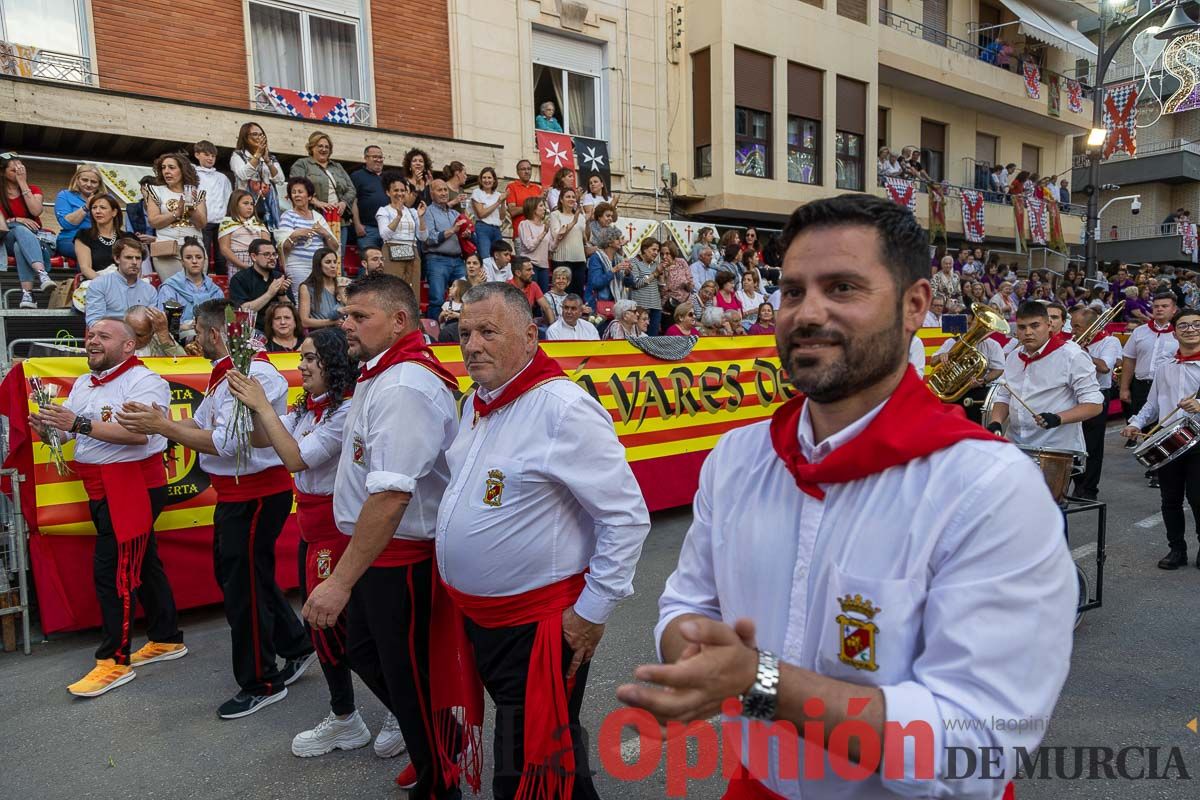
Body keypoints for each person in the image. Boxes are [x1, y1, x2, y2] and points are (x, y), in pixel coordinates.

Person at [619, 193, 1076, 800]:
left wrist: (759, 683)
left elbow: (978, 744)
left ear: (915, 306)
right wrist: (695, 654)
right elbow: (687, 600)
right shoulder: (738, 458)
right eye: (791, 291)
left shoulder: (987, 487)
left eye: (842, 288)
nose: (807, 313)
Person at [438, 281, 650, 800]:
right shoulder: (476, 403)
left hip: (539, 629)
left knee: (526, 765)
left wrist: (592, 611)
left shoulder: (563, 408)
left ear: (531, 336)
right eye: (465, 332)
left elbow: (626, 517)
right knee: (546, 756)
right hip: (482, 620)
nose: (472, 345)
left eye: (488, 332)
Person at [302, 273, 466, 796]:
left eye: (359, 316)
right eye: (346, 314)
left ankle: (441, 778)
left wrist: (341, 580)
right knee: (373, 657)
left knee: (409, 675)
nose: (345, 324)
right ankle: (438, 746)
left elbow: (393, 494)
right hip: (377, 549)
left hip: (400, 554)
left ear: (399, 320)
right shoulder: (383, 371)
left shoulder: (403, 384)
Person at [118, 299, 315, 719]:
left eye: (196, 335)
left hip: (256, 493)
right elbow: (202, 424)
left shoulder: (253, 373)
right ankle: (296, 645)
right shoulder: (225, 372)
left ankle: (262, 681)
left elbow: (227, 441)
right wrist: (162, 422)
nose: (193, 343)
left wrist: (164, 428)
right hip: (238, 494)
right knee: (244, 578)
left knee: (241, 587)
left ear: (213, 334)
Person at [225, 327, 389, 757]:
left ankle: (400, 712)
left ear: (334, 364)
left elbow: (296, 457)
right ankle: (345, 718)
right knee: (323, 632)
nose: (301, 366)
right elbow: (269, 439)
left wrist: (262, 404)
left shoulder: (344, 411)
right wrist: (248, 412)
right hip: (312, 529)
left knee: (349, 635)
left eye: (310, 358)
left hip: (337, 532)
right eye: (301, 358)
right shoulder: (310, 406)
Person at [30, 319, 184, 697]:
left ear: (129, 346)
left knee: (114, 571)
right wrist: (48, 426)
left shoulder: (146, 381)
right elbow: (68, 431)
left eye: (103, 336)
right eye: (90, 335)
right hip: (101, 485)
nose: (92, 341)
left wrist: (78, 423)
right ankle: (167, 638)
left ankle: (114, 661)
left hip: (132, 485)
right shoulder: (84, 382)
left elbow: (140, 433)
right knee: (142, 562)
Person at [1123, 308, 1200, 569]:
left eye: (1196, 324)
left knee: (1198, 498)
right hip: (1170, 442)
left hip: (1199, 440)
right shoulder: (1166, 367)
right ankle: (1176, 549)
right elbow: (1152, 404)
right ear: (1175, 331)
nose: (1190, 329)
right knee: (1170, 499)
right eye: (1184, 325)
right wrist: (1135, 424)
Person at [988, 301, 1104, 457]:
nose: (1028, 332)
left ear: (1049, 325)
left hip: (1054, 450)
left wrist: (1058, 418)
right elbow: (1004, 395)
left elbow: (1094, 404)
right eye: (1022, 327)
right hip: (1015, 447)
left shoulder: (1072, 356)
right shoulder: (1013, 357)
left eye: (1035, 326)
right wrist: (995, 421)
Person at [1071, 306, 1122, 501]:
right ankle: (1076, 485)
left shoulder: (1110, 341)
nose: (1073, 330)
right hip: (1073, 396)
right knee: (1073, 442)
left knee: (1092, 446)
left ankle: (1089, 489)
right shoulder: (1072, 341)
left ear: (1091, 326)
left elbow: (1104, 367)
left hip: (1097, 395)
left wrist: (1081, 352)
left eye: (1077, 326)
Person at [144, 152, 206, 280]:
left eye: (171, 167)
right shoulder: (156, 191)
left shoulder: (197, 193)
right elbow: (153, 221)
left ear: (183, 170)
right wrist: (176, 213)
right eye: (163, 168)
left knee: (196, 289)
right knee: (173, 290)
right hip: (167, 249)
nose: (166, 171)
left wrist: (191, 209)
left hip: (194, 248)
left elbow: (202, 224)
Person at [290, 132, 355, 250]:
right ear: (311, 147)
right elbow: (296, 187)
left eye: (327, 147)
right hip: (313, 217)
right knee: (317, 253)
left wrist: (344, 202)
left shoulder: (337, 166)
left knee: (338, 255)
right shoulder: (302, 164)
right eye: (319, 146)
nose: (323, 149)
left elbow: (351, 189)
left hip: (339, 219)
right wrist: (316, 201)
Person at [154, 238, 224, 339]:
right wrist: (184, 327)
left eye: (199, 257)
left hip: (211, 337)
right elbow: (163, 323)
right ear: (182, 262)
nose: (194, 261)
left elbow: (222, 322)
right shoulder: (170, 287)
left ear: (204, 261)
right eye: (188, 257)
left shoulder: (215, 290)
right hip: (178, 338)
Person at [279, 177, 339, 289]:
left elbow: (334, 247)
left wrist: (325, 233)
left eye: (300, 192)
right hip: (298, 267)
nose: (296, 195)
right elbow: (283, 248)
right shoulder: (287, 216)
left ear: (310, 196)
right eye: (293, 192)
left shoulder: (318, 217)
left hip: (319, 268)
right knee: (300, 301)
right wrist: (295, 235)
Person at [86, 238, 159, 327]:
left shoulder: (150, 291)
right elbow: (94, 322)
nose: (134, 262)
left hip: (140, 337)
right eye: (129, 257)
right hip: (108, 336)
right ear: (117, 259)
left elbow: (152, 323)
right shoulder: (99, 284)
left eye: (138, 258)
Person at [423, 179, 469, 320]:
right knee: (436, 299)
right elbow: (429, 238)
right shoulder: (428, 212)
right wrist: (452, 230)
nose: (443, 193)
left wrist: (466, 234)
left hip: (457, 260)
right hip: (437, 259)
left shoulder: (455, 214)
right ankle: (435, 334)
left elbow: (463, 235)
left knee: (465, 296)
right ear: (432, 194)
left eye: (445, 190)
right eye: (439, 190)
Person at [376, 171, 425, 298]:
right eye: (396, 190)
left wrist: (421, 218)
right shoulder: (384, 210)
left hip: (412, 250)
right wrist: (398, 217)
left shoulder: (413, 211)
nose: (400, 193)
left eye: (403, 190)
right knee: (393, 290)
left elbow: (423, 237)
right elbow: (384, 235)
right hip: (392, 248)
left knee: (413, 291)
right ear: (388, 192)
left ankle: (412, 317)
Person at [230, 122, 287, 229]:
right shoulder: (237, 155)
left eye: (261, 135)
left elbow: (280, 180)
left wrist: (268, 161)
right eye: (255, 134)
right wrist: (257, 155)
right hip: (246, 208)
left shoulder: (270, 157)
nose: (259, 138)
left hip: (269, 208)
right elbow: (243, 175)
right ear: (246, 138)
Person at [229, 239, 292, 323]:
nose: (272, 258)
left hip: (279, 325)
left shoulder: (280, 277)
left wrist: (281, 294)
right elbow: (242, 310)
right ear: (254, 257)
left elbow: (292, 311)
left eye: (274, 254)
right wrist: (269, 294)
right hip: (254, 328)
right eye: (267, 254)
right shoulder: (239, 279)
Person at [193, 141, 232, 274]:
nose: (210, 158)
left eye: (213, 156)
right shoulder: (193, 176)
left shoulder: (222, 178)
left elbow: (229, 199)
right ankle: (202, 281)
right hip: (202, 221)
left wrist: (227, 218)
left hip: (221, 222)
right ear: (197, 155)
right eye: (206, 155)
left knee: (222, 256)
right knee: (203, 254)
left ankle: (222, 284)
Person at [54, 165, 105, 259]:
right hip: (70, 239)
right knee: (89, 254)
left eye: (93, 182)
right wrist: (86, 207)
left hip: (100, 239)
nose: (89, 184)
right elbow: (66, 224)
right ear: (77, 180)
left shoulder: (107, 198)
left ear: (99, 184)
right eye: (84, 180)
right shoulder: (65, 195)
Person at [217, 190, 271, 275]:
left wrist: (260, 263)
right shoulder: (227, 223)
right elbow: (224, 249)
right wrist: (243, 266)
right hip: (236, 263)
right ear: (235, 205)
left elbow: (267, 245)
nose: (250, 207)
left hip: (258, 261)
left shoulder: (258, 224)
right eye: (245, 203)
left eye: (251, 204)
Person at [74, 194, 123, 279]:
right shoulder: (84, 235)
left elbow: (136, 268)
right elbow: (85, 268)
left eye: (103, 208)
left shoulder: (127, 238)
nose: (97, 211)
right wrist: (105, 285)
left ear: (114, 212)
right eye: (94, 208)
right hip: (95, 283)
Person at [624, 238, 666, 335]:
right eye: (653, 249)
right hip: (640, 307)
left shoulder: (656, 264)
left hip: (655, 306)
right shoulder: (634, 262)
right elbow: (636, 283)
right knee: (639, 335)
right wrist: (655, 273)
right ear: (644, 249)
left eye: (658, 251)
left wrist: (661, 275)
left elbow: (661, 288)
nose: (656, 253)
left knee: (653, 338)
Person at [549, 187, 587, 296]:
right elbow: (557, 235)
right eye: (568, 197)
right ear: (561, 199)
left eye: (573, 197)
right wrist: (573, 221)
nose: (571, 199)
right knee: (563, 294)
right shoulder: (555, 215)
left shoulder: (580, 216)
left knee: (577, 294)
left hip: (579, 260)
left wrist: (587, 221)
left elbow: (586, 238)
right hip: (562, 260)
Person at [299, 248, 347, 331]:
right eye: (328, 262)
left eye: (335, 262)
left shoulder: (341, 284)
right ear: (318, 265)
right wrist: (331, 322)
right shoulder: (306, 287)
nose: (333, 266)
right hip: (319, 335)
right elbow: (304, 321)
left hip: (342, 333)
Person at [351, 145, 388, 251]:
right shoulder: (357, 176)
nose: (378, 160)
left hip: (388, 230)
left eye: (380, 157)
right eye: (375, 157)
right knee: (369, 262)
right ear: (366, 158)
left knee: (388, 265)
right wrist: (357, 224)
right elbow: (353, 201)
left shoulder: (388, 177)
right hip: (368, 229)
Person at [585, 226, 628, 308]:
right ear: (609, 242)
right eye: (617, 239)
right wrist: (614, 270)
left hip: (617, 304)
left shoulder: (619, 259)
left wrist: (628, 274)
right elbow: (596, 283)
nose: (620, 241)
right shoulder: (596, 258)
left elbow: (629, 283)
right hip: (599, 303)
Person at [470, 167, 505, 262]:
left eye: (489, 178)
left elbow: (502, 217)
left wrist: (502, 203)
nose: (487, 180)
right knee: (485, 257)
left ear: (494, 180)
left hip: (497, 229)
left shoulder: (498, 195)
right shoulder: (477, 193)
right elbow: (481, 214)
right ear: (480, 180)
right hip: (483, 228)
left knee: (499, 258)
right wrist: (498, 202)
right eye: (484, 178)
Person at [517, 196, 552, 291]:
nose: (544, 208)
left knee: (543, 296)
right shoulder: (524, 224)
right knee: (530, 297)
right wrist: (544, 233)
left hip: (544, 266)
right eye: (541, 206)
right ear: (533, 209)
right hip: (530, 265)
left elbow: (551, 248)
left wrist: (559, 237)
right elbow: (530, 246)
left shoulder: (545, 226)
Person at [508, 255, 555, 323]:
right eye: (528, 270)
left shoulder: (533, 285)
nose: (533, 273)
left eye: (532, 269)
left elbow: (546, 307)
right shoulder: (507, 287)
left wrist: (553, 328)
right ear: (518, 273)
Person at [505, 159, 542, 233]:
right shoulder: (511, 187)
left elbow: (541, 212)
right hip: (520, 234)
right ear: (517, 172)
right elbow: (512, 211)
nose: (527, 172)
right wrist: (533, 204)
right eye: (523, 169)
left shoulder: (537, 189)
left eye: (529, 169)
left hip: (537, 233)